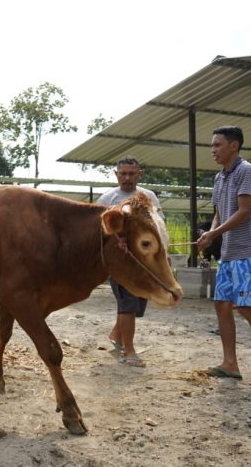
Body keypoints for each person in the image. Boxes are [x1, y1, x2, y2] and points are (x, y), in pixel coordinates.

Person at [196, 126, 251, 379]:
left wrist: (214, 234)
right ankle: (229, 363)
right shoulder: (219, 177)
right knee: (221, 304)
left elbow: (244, 211)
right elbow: (219, 213)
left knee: (245, 307)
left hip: (248, 252)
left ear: (234, 146)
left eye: (217, 145)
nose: (213, 150)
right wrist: (209, 233)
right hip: (228, 254)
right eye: (212, 145)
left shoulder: (246, 171)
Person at [97, 157, 165, 367]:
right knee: (128, 304)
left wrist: (164, 253)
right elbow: (99, 232)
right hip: (120, 263)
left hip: (144, 262)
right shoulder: (106, 199)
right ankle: (129, 351)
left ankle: (117, 334)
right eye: (123, 174)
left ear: (139, 174)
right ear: (116, 175)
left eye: (131, 174)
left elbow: (159, 225)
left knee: (138, 305)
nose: (127, 178)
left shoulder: (148, 197)